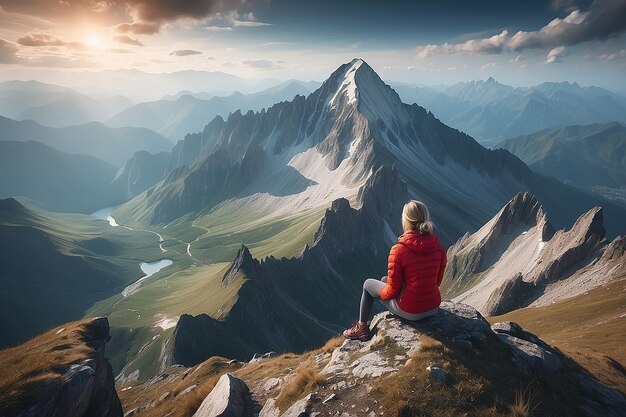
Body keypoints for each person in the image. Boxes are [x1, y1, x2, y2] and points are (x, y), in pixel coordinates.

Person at [343, 200, 447, 341]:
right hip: (433, 307)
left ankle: (361, 328)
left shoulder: (399, 250)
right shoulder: (438, 246)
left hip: (412, 311)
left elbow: (391, 291)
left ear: (406, 221)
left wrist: (381, 293)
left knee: (368, 284)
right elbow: (437, 281)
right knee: (384, 280)